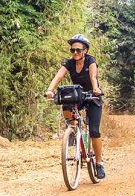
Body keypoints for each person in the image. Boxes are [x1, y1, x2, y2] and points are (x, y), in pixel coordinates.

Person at [43, 34, 106, 179]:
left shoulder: (91, 61)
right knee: (65, 103)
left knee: (95, 131)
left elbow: (93, 77)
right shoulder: (69, 63)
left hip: (91, 96)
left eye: (78, 50)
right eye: (73, 50)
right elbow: (58, 76)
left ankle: (99, 163)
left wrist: (96, 89)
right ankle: (72, 130)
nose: (75, 53)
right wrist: (49, 90)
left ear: (85, 51)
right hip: (77, 95)